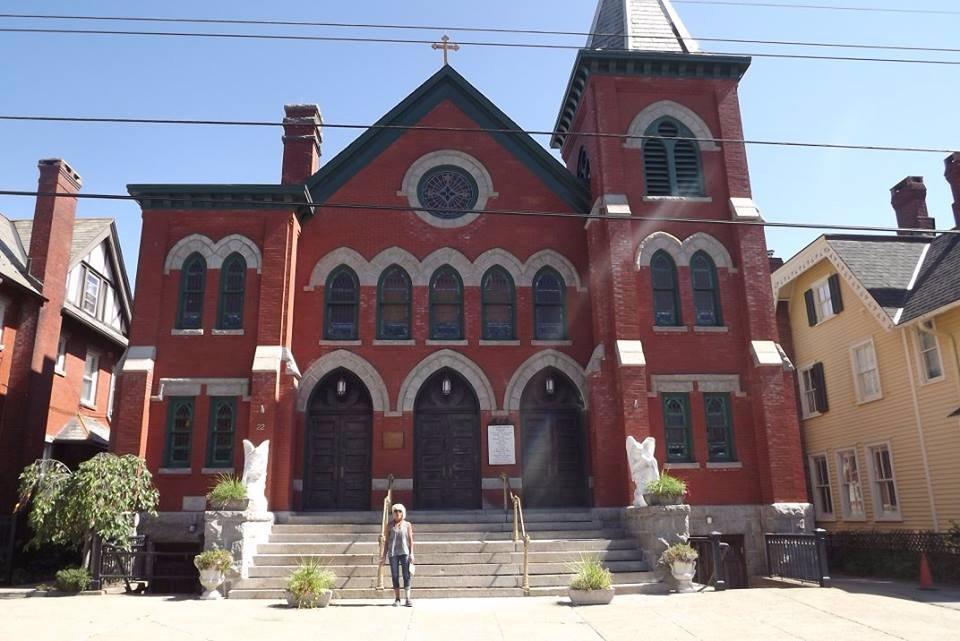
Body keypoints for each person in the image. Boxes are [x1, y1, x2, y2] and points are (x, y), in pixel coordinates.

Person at [380, 503, 415, 607]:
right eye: (395, 511)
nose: (397, 513)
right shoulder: (389, 525)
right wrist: (383, 556)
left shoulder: (407, 525)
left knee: (406, 575)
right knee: (395, 575)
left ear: (403, 513)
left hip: (404, 552)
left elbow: (410, 540)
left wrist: (412, 553)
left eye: (399, 511)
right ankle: (397, 598)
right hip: (393, 553)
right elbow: (386, 542)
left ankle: (408, 598)